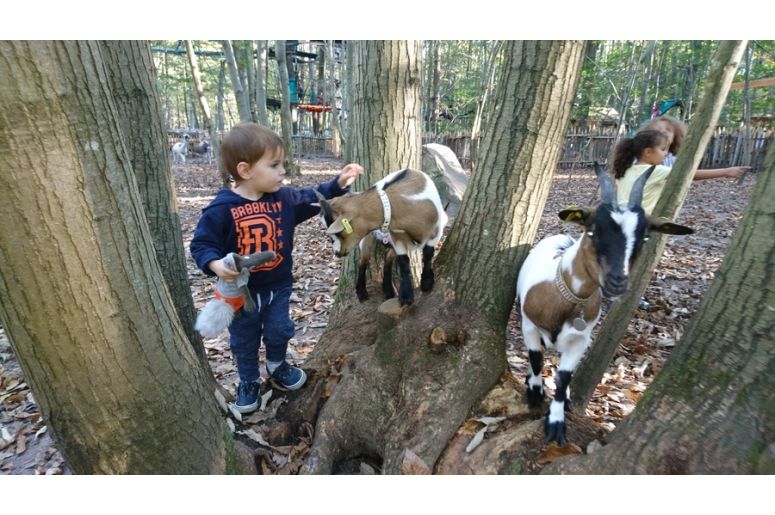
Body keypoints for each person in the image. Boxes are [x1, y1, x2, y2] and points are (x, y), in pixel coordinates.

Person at [191, 122, 363, 413]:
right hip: (242, 294)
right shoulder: (222, 208)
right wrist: (215, 264)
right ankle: (248, 381)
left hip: (278, 287)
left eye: (282, 164)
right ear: (245, 170)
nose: (283, 171)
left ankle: (277, 364)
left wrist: (338, 183)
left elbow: (312, 198)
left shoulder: (284, 199)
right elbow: (201, 244)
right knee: (244, 340)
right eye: (274, 165)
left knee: (280, 330)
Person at [643, 115, 750, 180]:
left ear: (675, 136)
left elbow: (688, 174)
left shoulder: (672, 158)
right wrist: (725, 172)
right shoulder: (644, 155)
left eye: (668, 129)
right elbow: (684, 174)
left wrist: (727, 171)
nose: (663, 131)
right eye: (658, 129)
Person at [611, 129, 672, 215]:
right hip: (642, 219)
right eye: (663, 149)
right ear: (648, 152)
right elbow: (683, 174)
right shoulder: (656, 170)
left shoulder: (624, 170)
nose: (666, 153)